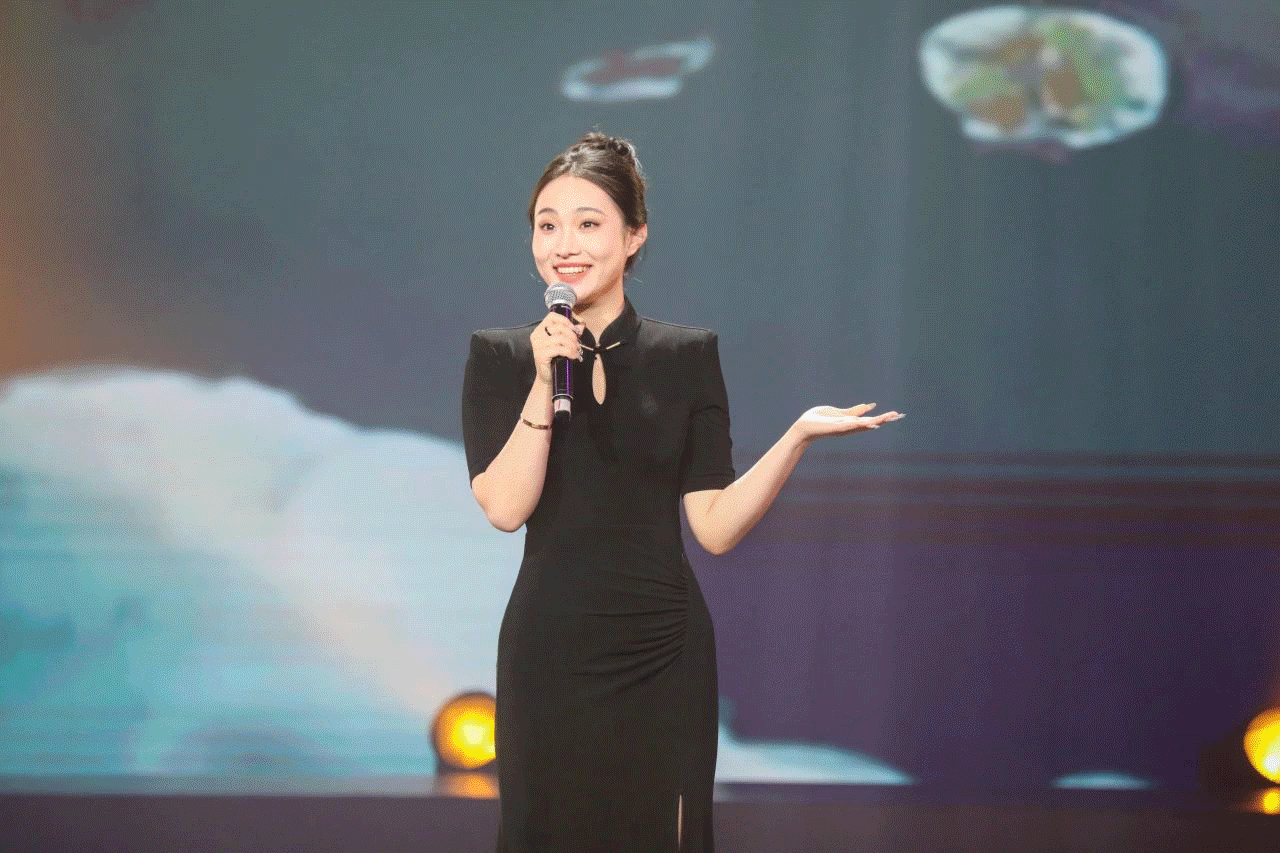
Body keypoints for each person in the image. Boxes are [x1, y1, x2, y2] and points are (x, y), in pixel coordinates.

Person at [461, 132, 903, 853]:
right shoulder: (501, 356)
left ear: (634, 236)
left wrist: (794, 437)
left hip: (663, 648)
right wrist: (543, 380)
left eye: (588, 223)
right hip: (551, 649)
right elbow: (507, 509)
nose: (564, 244)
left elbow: (715, 526)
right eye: (547, 225)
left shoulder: (686, 355)